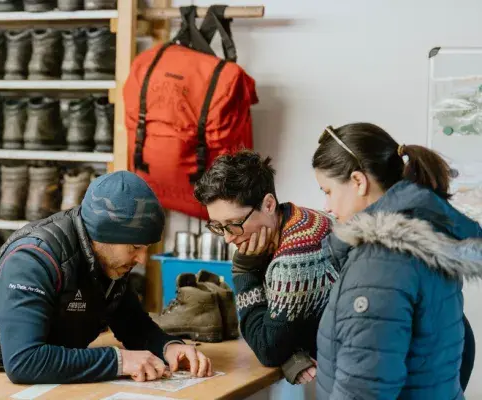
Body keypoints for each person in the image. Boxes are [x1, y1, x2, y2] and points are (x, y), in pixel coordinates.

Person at [0, 171, 213, 384]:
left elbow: (133, 324)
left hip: (35, 382)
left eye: (146, 247)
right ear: (102, 236)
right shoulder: (34, 258)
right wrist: (119, 361)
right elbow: (24, 362)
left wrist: (168, 348)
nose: (142, 259)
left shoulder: (109, 260)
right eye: (134, 248)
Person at [312, 123, 480, 399]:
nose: (327, 206)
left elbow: (363, 389)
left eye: (327, 191)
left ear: (358, 181)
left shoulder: (379, 263)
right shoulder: (428, 237)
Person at [193, 150, 336, 385]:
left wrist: (244, 270)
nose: (228, 239)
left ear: (269, 204)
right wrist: (288, 350)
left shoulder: (294, 258)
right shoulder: (299, 217)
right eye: (218, 226)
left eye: (234, 224)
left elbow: (267, 349)